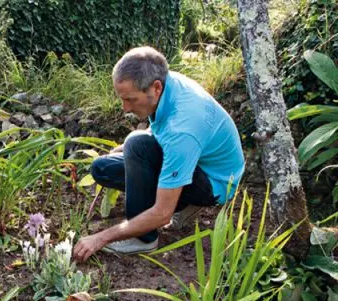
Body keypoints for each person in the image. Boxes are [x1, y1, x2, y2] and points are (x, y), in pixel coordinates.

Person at [73, 46, 245, 262]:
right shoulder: (167, 83)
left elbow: (164, 213)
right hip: (192, 159)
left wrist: (102, 237)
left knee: (136, 144)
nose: (125, 108)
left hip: (215, 182)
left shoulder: (183, 129)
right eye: (122, 98)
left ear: (155, 88)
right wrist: (126, 148)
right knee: (103, 168)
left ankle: (144, 239)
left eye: (131, 99)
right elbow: (161, 127)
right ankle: (165, 203)